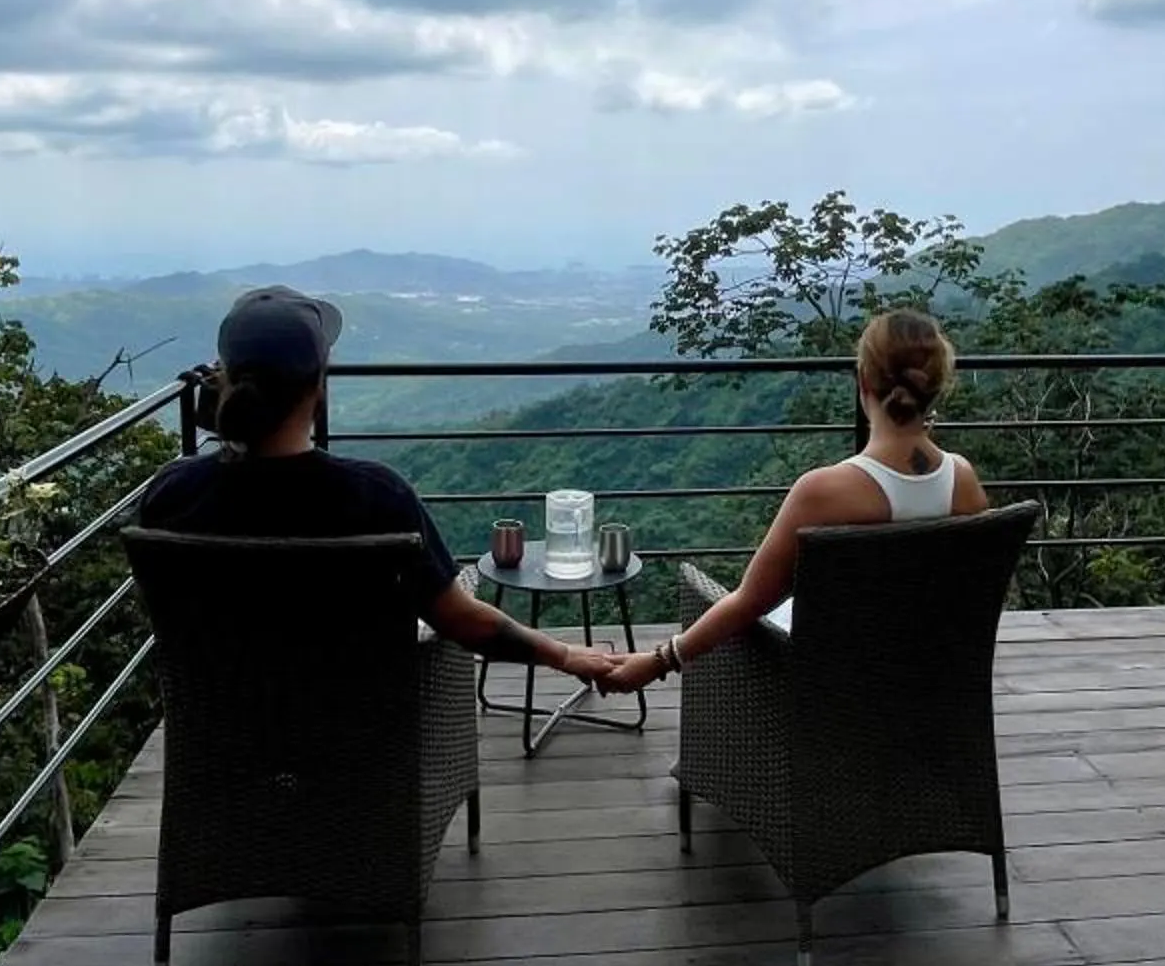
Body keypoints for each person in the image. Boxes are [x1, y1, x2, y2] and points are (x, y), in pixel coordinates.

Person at [138, 285, 620, 686]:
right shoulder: (375, 497)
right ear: (319, 385)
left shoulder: (172, 493)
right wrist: (565, 655)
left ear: (224, 381)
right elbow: (463, 622)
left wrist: (226, 437)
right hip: (360, 749)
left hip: (223, 749)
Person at [600, 307, 987, 696]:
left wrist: (658, 661)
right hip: (932, 684)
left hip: (831, 689)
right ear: (935, 387)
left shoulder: (823, 492)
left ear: (863, 380)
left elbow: (750, 602)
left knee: (746, 616)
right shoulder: (964, 481)